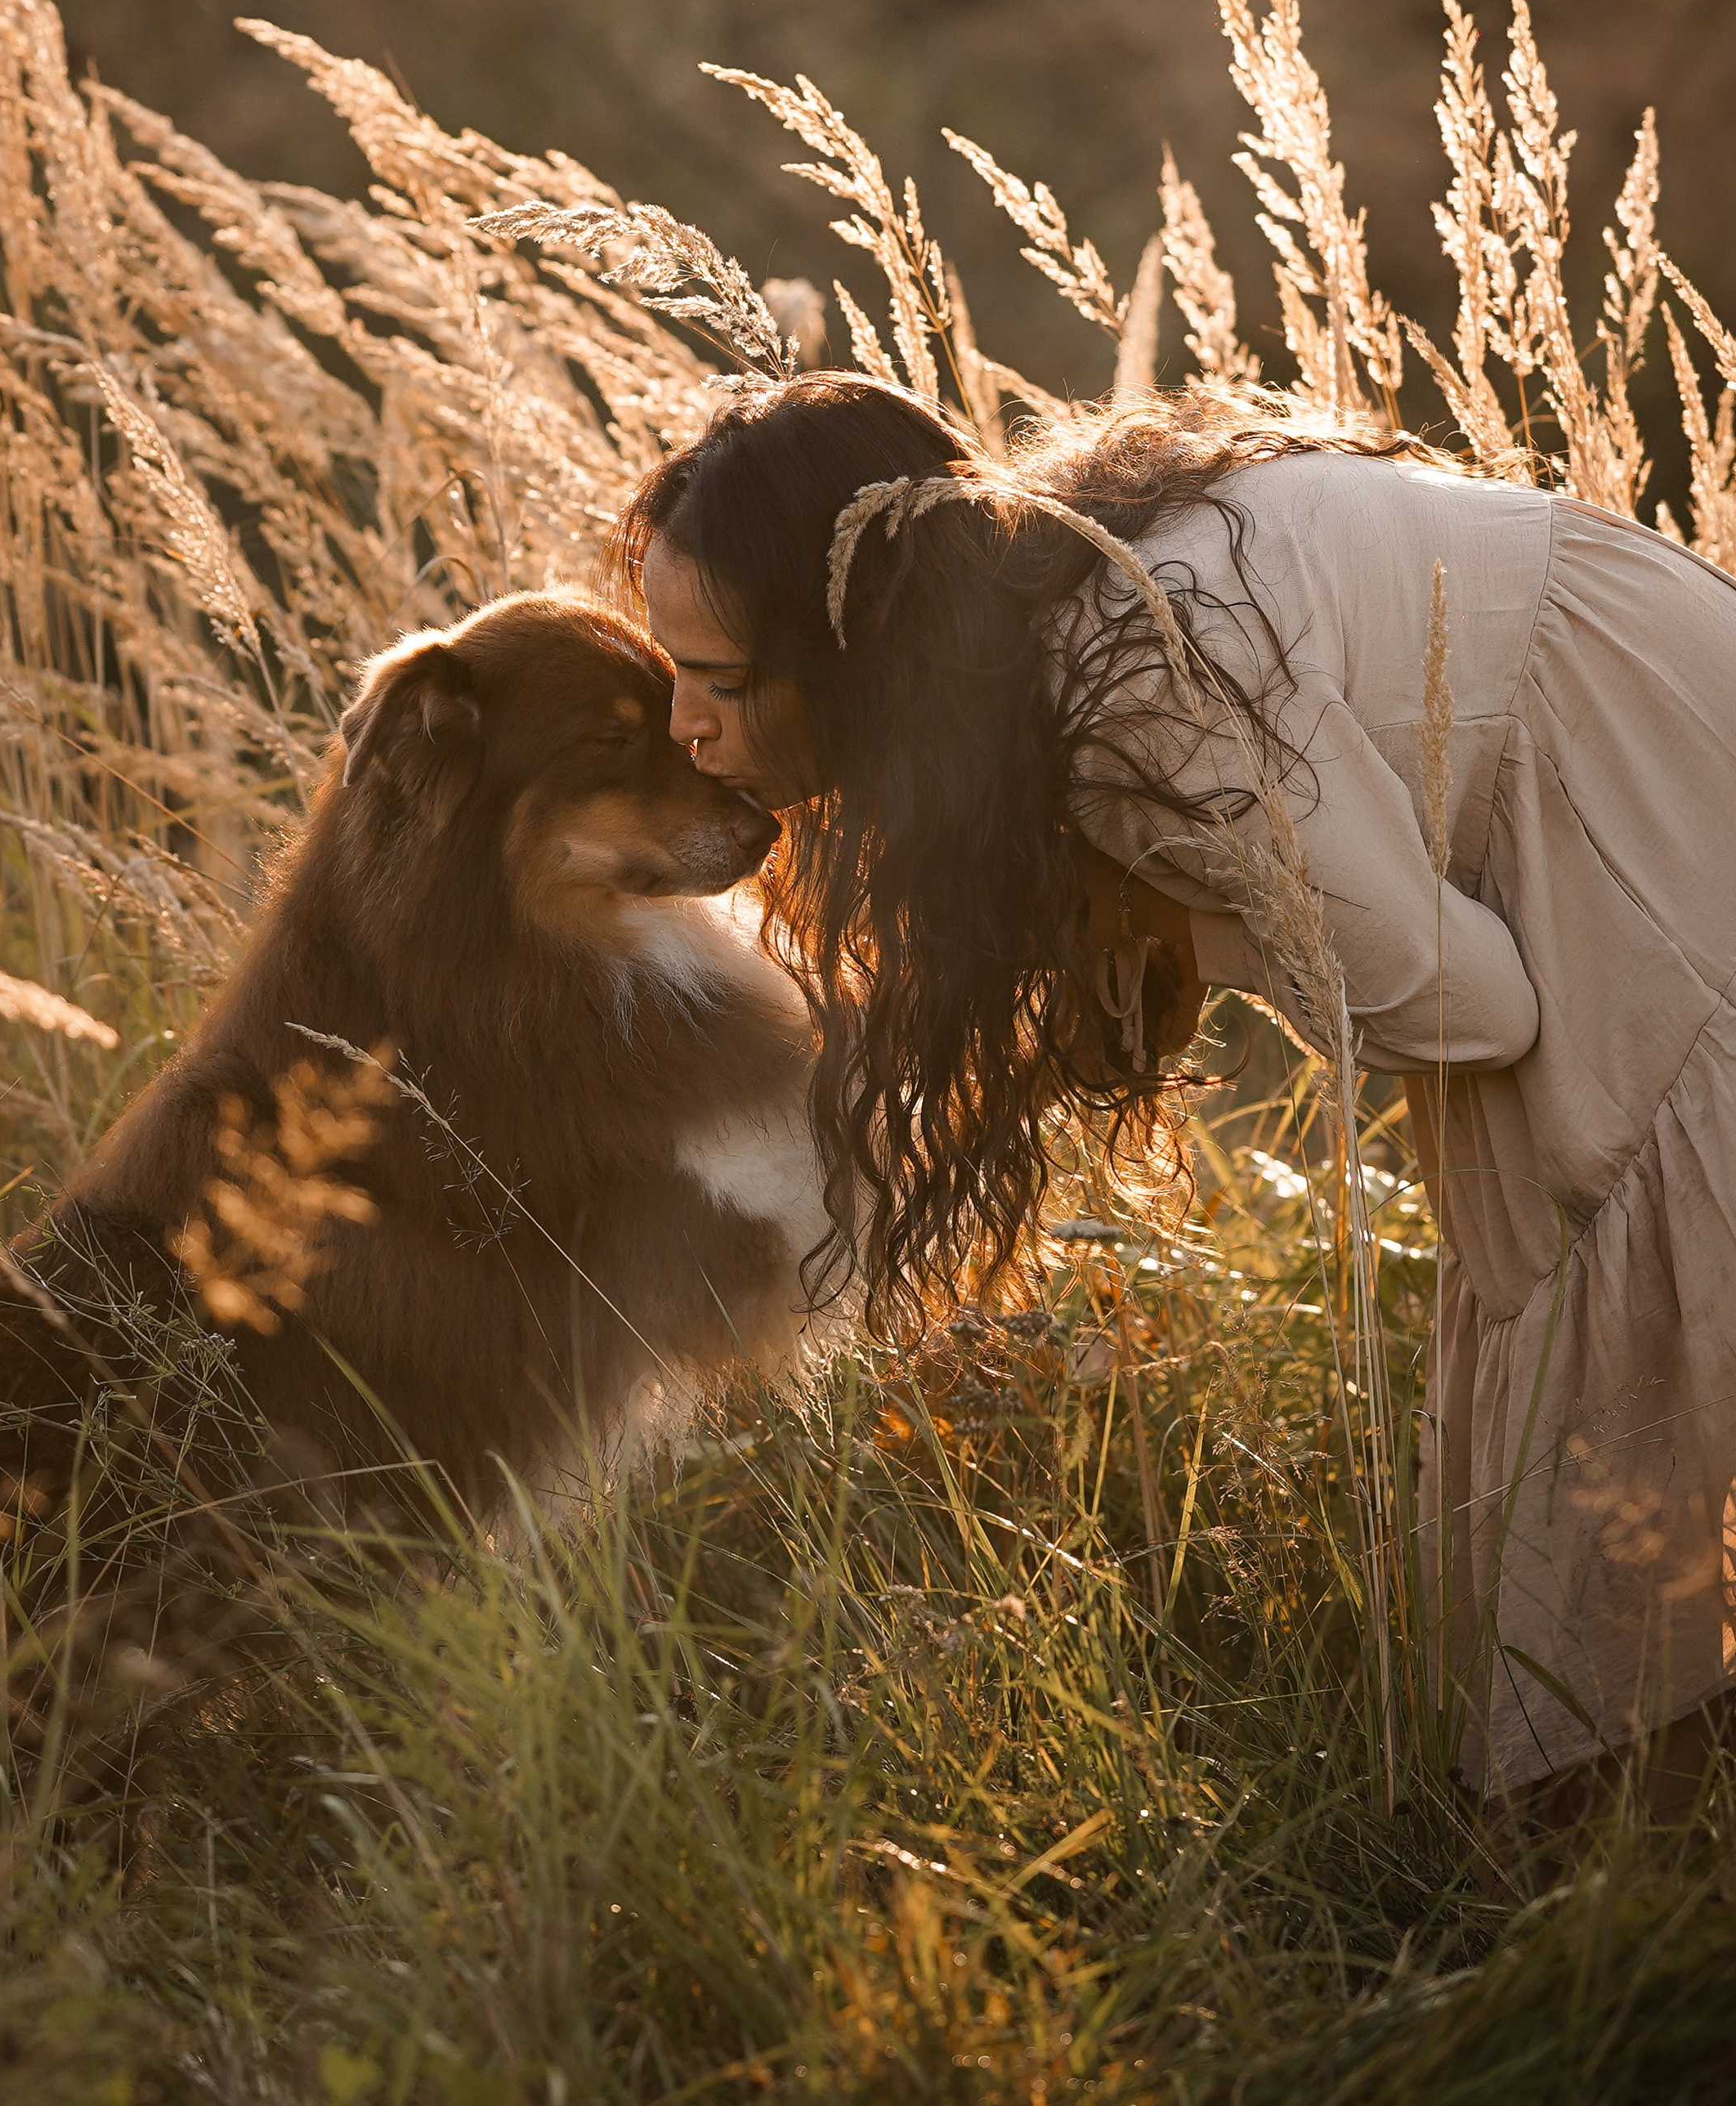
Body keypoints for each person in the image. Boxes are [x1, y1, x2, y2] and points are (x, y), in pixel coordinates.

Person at [612, 370, 1736, 1801]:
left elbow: (1465, 1006)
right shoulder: (1052, 611)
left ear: (850, 653)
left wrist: (1138, 913)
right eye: (671, 671)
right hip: (1617, 725)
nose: (684, 725)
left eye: (719, 678)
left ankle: (1629, 1911)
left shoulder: (1136, 675)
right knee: (1571, 1293)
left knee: (1615, 1246)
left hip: (1644, 775)